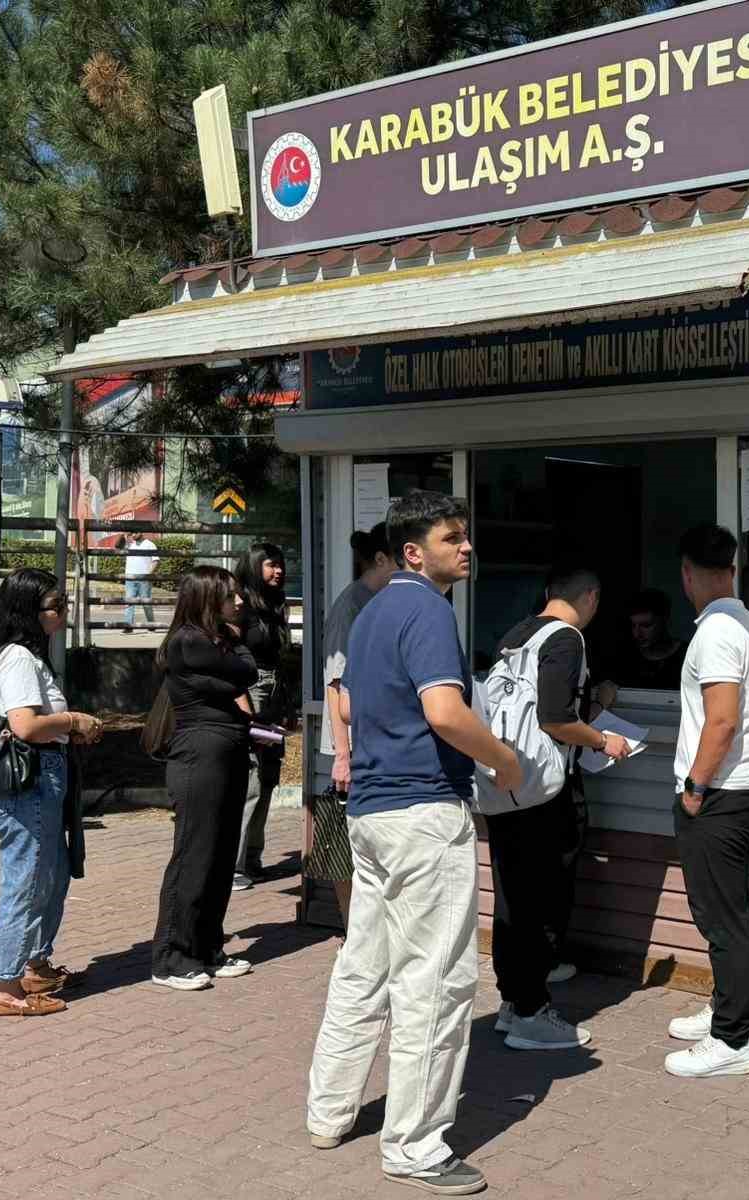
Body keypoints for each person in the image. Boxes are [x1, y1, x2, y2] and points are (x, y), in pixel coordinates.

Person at [305, 490, 523, 1196]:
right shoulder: (427, 609)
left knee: (363, 968)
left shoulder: (371, 612)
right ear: (412, 552)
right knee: (436, 981)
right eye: (451, 537)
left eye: (465, 535)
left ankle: (329, 1111)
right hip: (423, 813)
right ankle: (415, 1146)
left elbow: (345, 703)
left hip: (372, 814)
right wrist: (505, 760)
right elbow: (445, 711)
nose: (466, 547)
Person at [488, 565, 629, 1052]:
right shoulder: (567, 639)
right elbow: (555, 719)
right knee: (543, 896)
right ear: (591, 597)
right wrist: (603, 740)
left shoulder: (516, 634)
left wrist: (594, 701)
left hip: (508, 782)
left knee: (513, 895)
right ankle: (531, 1011)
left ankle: (513, 1001)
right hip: (545, 792)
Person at [663, 524, 749, 1079]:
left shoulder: (716, 633)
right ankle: (725, 1009)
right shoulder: (745, 624)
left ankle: (732, 1041)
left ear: (687, 574)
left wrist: (694, 788)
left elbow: (723, 720)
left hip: (720, 795)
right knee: (728, 912)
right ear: (731, 569)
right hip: (740, 789)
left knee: (722, 919)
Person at [0, 568, 103, 1016]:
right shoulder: (17, 658)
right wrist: (73, 721)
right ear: (26, 611)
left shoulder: (29, 656)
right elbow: (26, 726)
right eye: (55, 606)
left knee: (51, 874)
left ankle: (34, 965)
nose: (63, 612)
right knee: (27, 880)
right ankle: (7, 988)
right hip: (29, 781)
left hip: (44, 775)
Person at [150, 566, 258, 991]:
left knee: (221, 855)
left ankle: (207, 947)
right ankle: (171, 958)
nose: (239, 602)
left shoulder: (215, 640)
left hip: (227, 752)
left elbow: (238, 670)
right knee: (195, 854)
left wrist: (230, 664)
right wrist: (233, 661)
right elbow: (246, 670)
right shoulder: (189, 641)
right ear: (207, 599)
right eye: (230, 596)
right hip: (200, 756)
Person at [309, 524, 397, 926]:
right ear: (380, 559)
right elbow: (335, 684)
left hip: (375, 743)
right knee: (347, 851)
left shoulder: (383, 602)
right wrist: (343, 756)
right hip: (351, 749)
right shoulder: (352, 606)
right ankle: (352, 932)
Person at [232, 541, 291, 890]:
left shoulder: (276, 604)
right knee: (251, 778)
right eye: (270, 564)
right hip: (251, 689)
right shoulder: (240, 604)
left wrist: (286, 704)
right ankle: (235, 864)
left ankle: (252, 858)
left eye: (280, 564)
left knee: (268, 776)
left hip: (273, 691)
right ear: (254, 566)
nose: (278, 570)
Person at [618, 588, 688, 690]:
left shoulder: (686, 654)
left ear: (664, 621)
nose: (637, 634)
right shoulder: (627, 656)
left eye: (646, 625)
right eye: (633, 626)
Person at [121, 533, 159, 630]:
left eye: (135, 532)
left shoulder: (150, 544)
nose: (133, 535)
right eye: (132, 533)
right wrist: (123, 535)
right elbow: (117, 546)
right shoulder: (129, 544)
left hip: (144, 579)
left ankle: (151, 624)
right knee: (129, 602)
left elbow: (155, 561)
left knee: (146, 604)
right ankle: (128, 626)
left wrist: (148, 575)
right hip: (130, 578)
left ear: (141, 532)